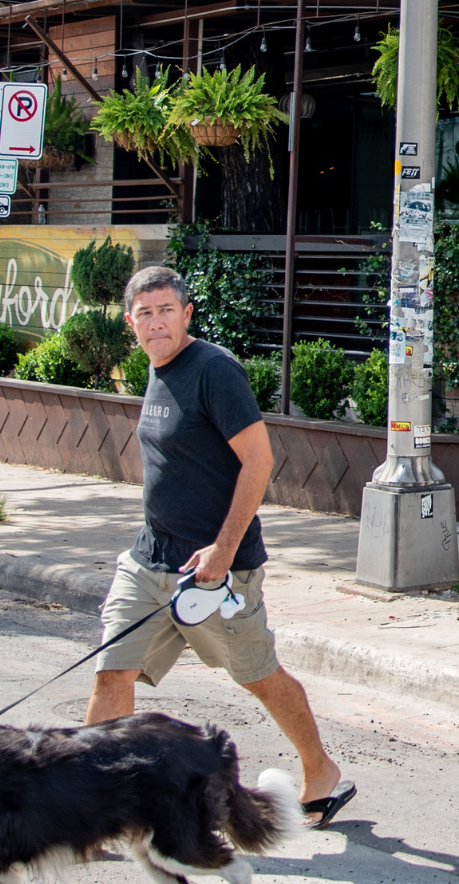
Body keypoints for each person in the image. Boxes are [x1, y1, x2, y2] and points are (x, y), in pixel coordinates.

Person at [85, 263, 354, 827]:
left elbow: (259, 461)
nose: (156, 323)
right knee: (112, 670)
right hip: (149, 560)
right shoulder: (158, 371)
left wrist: (224, 552)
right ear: (130, 322)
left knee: (258, 675)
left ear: (185, 315)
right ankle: (92, 805)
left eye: (166, 311)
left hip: (215, 573)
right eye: (145, 314)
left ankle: (320, 769)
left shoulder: (214, 370)